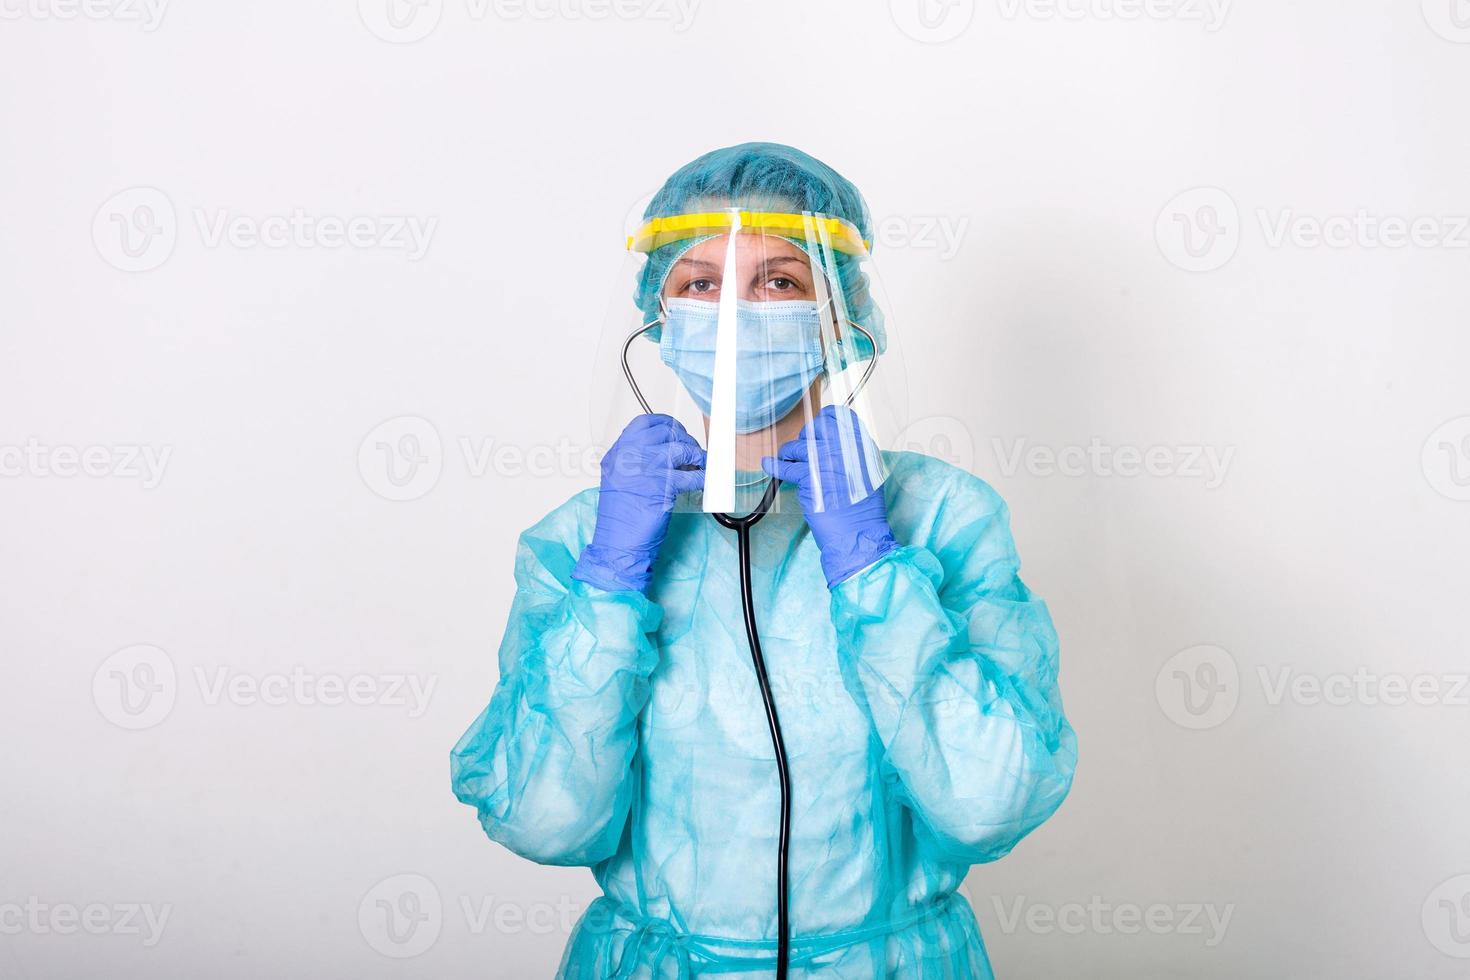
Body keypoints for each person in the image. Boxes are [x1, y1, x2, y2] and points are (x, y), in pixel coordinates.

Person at [452, 142, 1076, 978]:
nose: (737, 312)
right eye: (700, 283)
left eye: (779, 281)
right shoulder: (583, 540)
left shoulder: (940, 519)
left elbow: (989, 804)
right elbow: (544, 820)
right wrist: (607, 584)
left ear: (839, 315)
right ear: (659, 315)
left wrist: (871, 565)